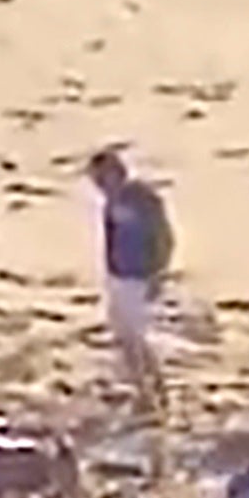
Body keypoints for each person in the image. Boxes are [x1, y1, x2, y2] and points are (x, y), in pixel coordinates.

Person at [87, 146, 177, 434]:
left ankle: (157, 394)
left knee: (137, 338)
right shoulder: (111, 204)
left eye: (103, 178)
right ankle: (143, 391)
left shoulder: (142, 199)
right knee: (125, 337)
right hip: (119, 276)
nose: (100, 186)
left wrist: (159, 274)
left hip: (140, 277)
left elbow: (164, 237)